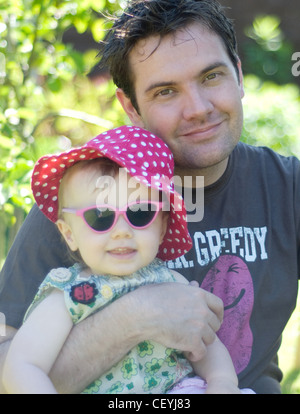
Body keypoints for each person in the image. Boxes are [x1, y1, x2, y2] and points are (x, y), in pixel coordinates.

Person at [0, 0, 299, 394]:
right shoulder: (84, 201)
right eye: (165, 91)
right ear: (131, 107)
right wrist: (133, 318)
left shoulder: (286, 186)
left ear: (239, 76)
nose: (198, 108)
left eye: (211, 76)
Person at [3, 125, 252, 394]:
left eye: (140, 213)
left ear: (162, 227)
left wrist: (222, 381)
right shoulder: (71, 295)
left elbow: (206, 344)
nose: (122, 230)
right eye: (101, 216)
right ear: (69, 233)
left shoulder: (171, 283)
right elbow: (23, 365)